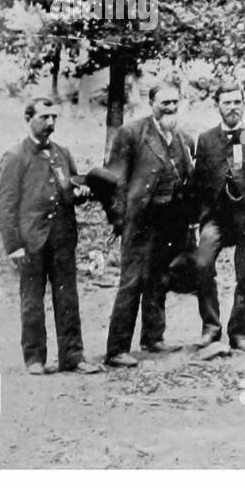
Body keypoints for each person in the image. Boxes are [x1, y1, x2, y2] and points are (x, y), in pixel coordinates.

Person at [0, 97, 102, 375]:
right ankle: (34, 358)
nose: (51, 123)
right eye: (44, 117)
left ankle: (72, 356)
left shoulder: (62, 153)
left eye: (54, 117)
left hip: (62, 240)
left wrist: (81, 194)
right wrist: (14, 246)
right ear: (28, 118)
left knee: (68, 299)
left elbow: (71, 190)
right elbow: (5, 206)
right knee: (32, 300)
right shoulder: (15, 156)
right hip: (31, 242)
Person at [103, 80, 195, 367]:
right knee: (131, 281)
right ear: (151, 103)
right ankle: (117, 349)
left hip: (170, 221)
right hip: (140, 220)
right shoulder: (131, 133)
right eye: (164, 102)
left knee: (159, 279)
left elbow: (188, 177)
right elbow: (113, 180)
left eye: (174, 102)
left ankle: (153, 338)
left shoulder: (182, 136)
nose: (170, 107)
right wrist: (118, 219)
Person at [191, 82, 245, 358]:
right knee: (202, 263)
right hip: (216, 218)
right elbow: (198, 184)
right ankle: (210, 327)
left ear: (242, 104)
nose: (232, 107)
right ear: (217, 105)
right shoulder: (206, 139)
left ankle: (239, 332)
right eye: (226, 102)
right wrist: (196, 220)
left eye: (236, 102)